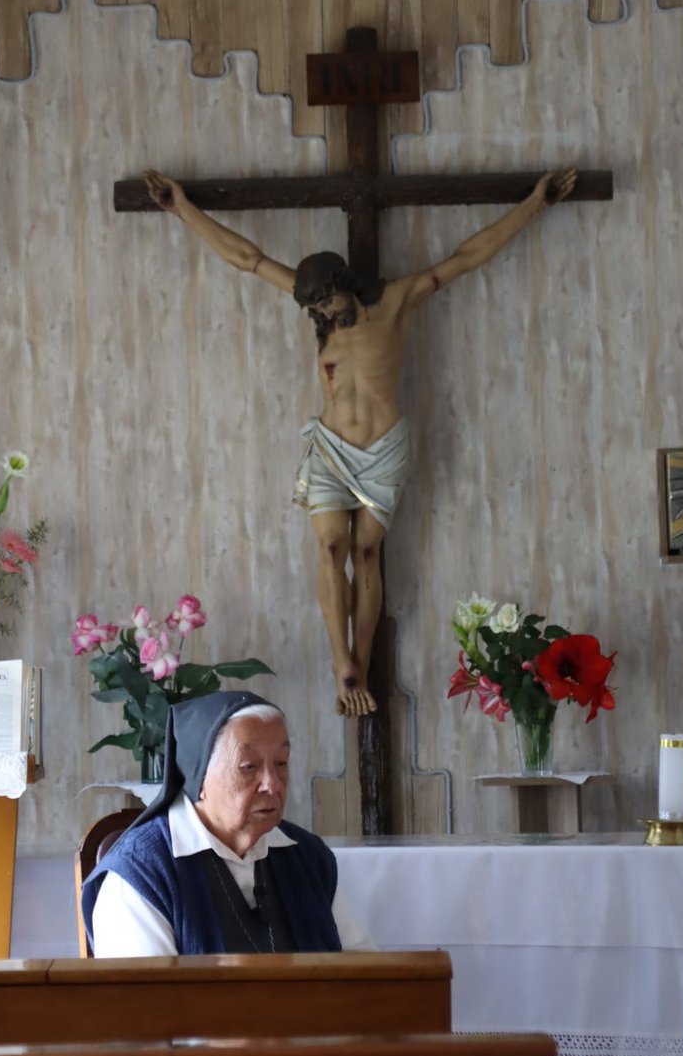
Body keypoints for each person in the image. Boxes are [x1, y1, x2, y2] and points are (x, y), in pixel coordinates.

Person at [144, 167, 577, 718]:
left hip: (383, 449)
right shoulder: (319, 312)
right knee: (331, 549)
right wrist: (182, 208)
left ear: (343, 282)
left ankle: (362, 664)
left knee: (367, 552)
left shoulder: (398, 299)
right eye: (317, 310)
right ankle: (342, 663)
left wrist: (535, 204)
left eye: (328, 303)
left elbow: (468, 256)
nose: (324, 315)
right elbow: (247, 258)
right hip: (329, 447)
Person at [82, 690, 374, 956]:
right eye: (249, 767)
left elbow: (365, 972)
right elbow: (144, 996)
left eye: (281, 763)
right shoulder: (140, 875)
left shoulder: (308, 857)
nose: (272, 784)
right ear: (199, 780)